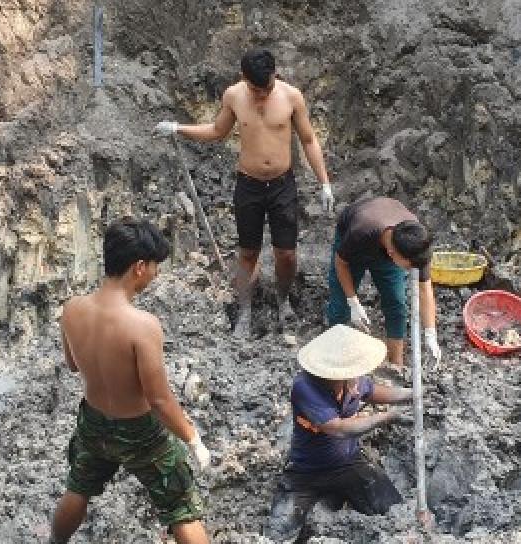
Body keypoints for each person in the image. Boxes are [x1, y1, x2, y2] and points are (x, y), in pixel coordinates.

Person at [48, 219, 212, 544]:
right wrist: (193, 440)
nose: (156, 274)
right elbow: (160, 401)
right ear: (139, 267)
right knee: (181, 507)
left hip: (93, 423)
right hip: (141, 433)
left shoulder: (71, 309)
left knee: (78, 487)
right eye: (154, 266)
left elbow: (71, 364)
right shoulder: (142, 326)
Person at [154, 48, 334, 336]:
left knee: (286, 253)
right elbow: (216, 131)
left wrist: (324, 182)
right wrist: (178, 128)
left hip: (282, 185)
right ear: (244, 79)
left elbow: (309, 140)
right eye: (256, 89)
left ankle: (283, 299)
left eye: (267, 88)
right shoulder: (234, 96)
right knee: (248, 252)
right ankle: (245, 310)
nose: (262, 95)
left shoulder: (291, 97)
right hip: (248, 185)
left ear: (275, 75)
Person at [265, 324, 413, 542]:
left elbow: (373, 392)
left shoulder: (353, 379)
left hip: (349, 464)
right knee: (277, 534)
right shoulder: (305, 387)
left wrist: (411, 393)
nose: (357, 381)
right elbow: (339, 429)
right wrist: (387, 417)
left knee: (394, 512)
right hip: (306, 473)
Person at [325, 196, 441, 366]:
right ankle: (334, 359)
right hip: (356, 242)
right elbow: (341, 263)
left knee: (396, 303)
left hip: (387, 242)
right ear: (392, 253)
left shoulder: (417, 244)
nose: (410, 271)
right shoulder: (360, 231)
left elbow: (425, 289)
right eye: (408, 268)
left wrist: (431, 335)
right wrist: (353, 302)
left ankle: (396, 364)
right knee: (340, 304)